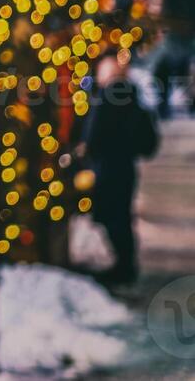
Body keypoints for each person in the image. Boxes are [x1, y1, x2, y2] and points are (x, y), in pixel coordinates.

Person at [84, 54, 160, 287]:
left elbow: (94, 135)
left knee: (113, 216)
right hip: (125, 166)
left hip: (109, 167)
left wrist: (87, 150)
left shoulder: (109, 96)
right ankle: (125, 265)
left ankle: (123, 267)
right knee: (121, 216)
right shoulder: (132, 95)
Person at [152, 0, 195, 118]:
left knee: (190, 71)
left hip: (188, 53)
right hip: (172, 54)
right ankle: (162, 106)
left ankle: (191, 105)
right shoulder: (170, 11)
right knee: (160, 71)